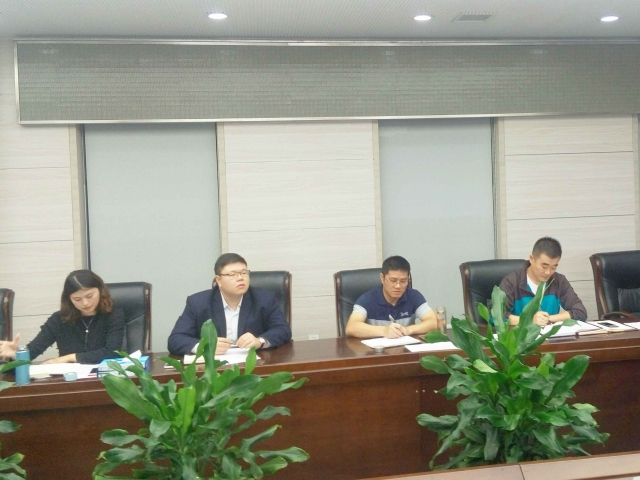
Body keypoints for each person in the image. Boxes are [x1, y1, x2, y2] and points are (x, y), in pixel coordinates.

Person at [168, 253, 292, 355]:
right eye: (232, 274)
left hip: (253, 365)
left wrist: (260, 341)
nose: (240, 278)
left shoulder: (264, 299)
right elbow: (176, 339)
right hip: (215, 369)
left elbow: (283, 330)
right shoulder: (198, 303)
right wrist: (204, 347)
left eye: (244, 273)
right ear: (219, 280)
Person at [0, 270, 124, 364]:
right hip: (69, 382)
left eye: (89, 296)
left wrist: (68, 358)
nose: (85, 303)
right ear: (69, 299)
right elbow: (32, 351)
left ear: (101, 291)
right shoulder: (59, 319)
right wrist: (16, 354)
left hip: (105, 379)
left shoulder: (113, 315)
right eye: (77, 299)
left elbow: (112, 352)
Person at [499, 236, 587, 326]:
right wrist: (528, 320)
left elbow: (580, 312)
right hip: (521, 334)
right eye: (544, 266)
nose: (548, 272)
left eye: (553, 267)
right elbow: (497, 317)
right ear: (532, 259)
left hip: (550, 334)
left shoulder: (559, 281)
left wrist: (547, 319)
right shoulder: (511, 282)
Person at [345, 255, 437, 339]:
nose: (398, 286)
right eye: (393, 280)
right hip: (376, 350)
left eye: (403, 281)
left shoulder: (414, 296)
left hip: (406, 349)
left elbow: (433, 322)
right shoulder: (367, 299)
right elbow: (351, 327)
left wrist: (408, 330)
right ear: (382, 278)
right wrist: (384, 331)